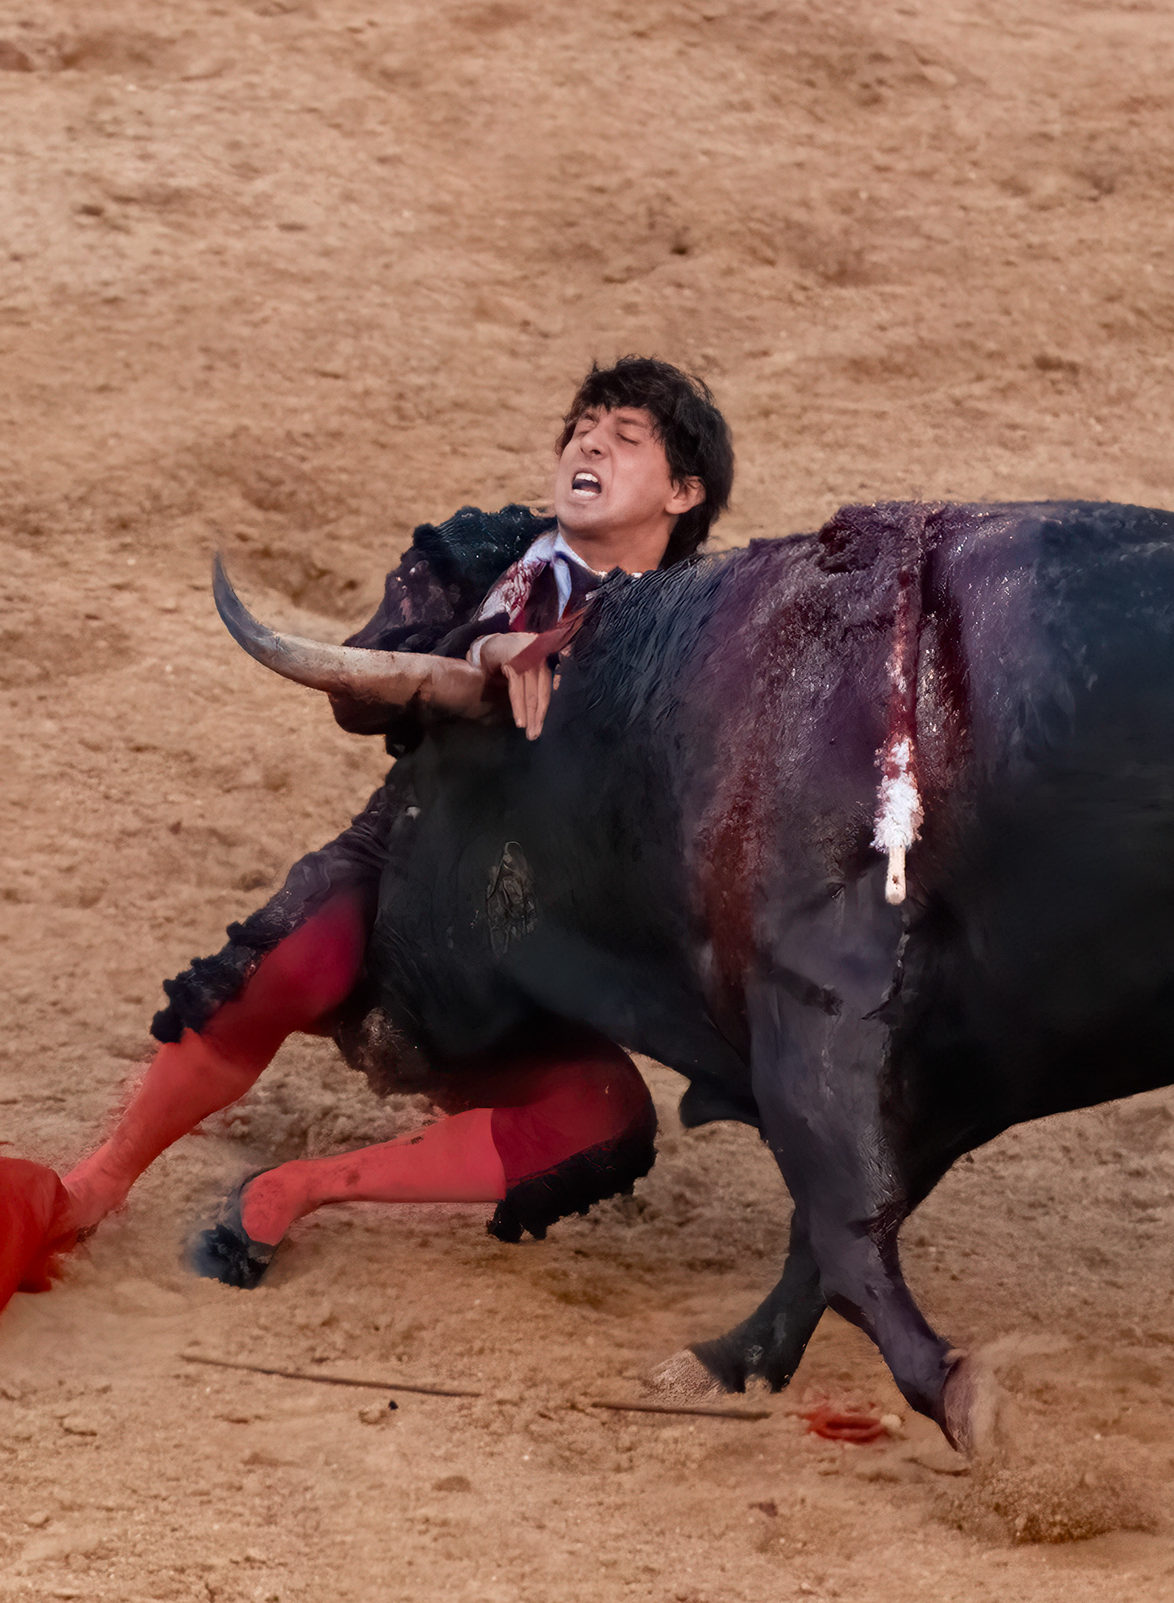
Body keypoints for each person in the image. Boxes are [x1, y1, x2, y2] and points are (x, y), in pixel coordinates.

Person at [60, 358, 737, 1283]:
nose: (590, 441)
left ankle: (299, 1189)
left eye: (627, 438)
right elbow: (364, 686)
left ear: (684, 492)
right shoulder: (483, 552)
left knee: (605, 1120)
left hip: (536, 952)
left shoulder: (706, 637)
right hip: (409, 870)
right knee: (294, 959)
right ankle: (98, 1181)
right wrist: (488, 648)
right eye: (583, 425)